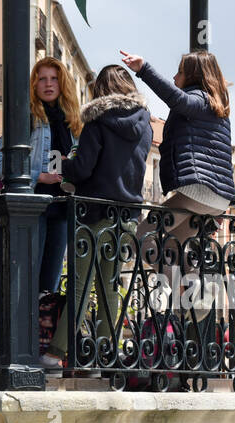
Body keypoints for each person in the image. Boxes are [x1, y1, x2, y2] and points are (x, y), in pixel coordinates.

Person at [42, 64, 153, 369]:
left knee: (80, 284)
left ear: (99, 91)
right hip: (128, 216)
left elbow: (84, 169)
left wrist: (61, 165)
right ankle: (107, 353)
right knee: (110, 287)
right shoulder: (145, 124)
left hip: (93, 213)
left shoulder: (97, 121)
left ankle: (56, 353)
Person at [120, 49, 235, 257]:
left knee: (141, 238)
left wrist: (144, 69)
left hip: (199, 193)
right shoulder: (218, 110)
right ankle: (188, 289)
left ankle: (177, 288)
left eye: (180, 72)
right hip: (217, 199)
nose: (175, 77)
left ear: (193, 75)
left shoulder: (199, 100)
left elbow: (176, 99)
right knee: (174, 251)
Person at [0, 57, 83, 297]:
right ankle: (25, 334)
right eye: (42, 79)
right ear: (33, 84)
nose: (48, 84)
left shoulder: (73, 123)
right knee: (27, 281)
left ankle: (44, 333)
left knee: (49, 286)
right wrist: (39, 176)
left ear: (63, 84)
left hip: (63, 208)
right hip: (33, 207)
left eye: (54, 78)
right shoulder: (27, 119)